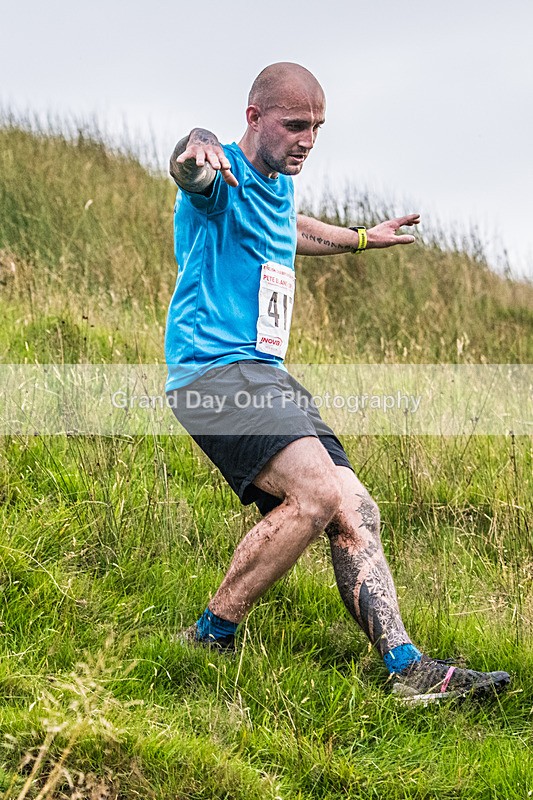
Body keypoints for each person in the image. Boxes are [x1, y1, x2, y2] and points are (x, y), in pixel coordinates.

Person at [165, 62, 510, 703]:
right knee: (318, 496)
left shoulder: (275, 187)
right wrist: (196, 140)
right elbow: (193, 173)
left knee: (356, 509)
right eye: (296, 125)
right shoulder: (227, 178)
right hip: (212, 373)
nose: (309, 140)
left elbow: (288, 231)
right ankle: (209, 636)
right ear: (253, 117)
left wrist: (360, 239)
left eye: (318, 128)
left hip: (265, 375)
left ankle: (407, 670)